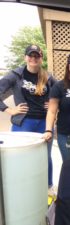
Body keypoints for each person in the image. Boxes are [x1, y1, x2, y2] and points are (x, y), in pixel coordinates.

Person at [0, 44, 56, 188]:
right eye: (30, 55)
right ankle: (22, 188)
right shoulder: (16, 75)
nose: (33, 58)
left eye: (36, 56)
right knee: (21, 157)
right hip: (24, 123)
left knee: (45, 157)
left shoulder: (48, 77)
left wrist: (54, 105)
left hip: (44, 123)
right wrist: (9, 110)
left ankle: (47, 188)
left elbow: (61, 94)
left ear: (41, 58)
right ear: (25, 57)